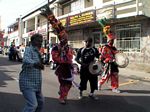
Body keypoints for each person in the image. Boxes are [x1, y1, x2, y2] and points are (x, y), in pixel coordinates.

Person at [19, 33, 44, 112]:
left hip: (36, 84)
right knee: (33, 105)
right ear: (32, 41)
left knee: (41, 103)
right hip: (27, 83)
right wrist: (35, 64)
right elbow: (26, 60)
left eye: (41, 41)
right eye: (38, 41)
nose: (40, 43)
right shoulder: (28, 49)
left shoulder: (38, 52)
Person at [51, 39, 74, 104]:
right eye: (63, 38)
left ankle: (63, 94)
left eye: (66, 39)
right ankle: (62, 97)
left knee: (69, 83)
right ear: (60, 39)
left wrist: (69, 61)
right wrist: (64, 59)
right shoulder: (56, 48)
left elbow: (71, 56)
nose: (65, 40)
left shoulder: (68, 47)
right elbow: (54, 57)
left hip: (68, 67)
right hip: (61, 67)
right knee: (63, 83)